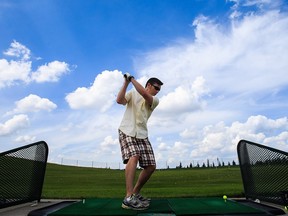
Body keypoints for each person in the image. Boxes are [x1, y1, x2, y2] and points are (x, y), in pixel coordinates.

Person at [116, 72, 163, 210]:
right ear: (149, 85)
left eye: (159, 89)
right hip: (127, 130)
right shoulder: (132, 93)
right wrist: (126, 82)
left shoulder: (154, 100)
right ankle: (128, 197)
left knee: (151, 166)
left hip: (142, 134)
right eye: (156, 88)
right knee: (134, 155)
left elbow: (143, 93)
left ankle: (135, 193)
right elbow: (119, 100)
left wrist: (131, 79)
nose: (158, 91)